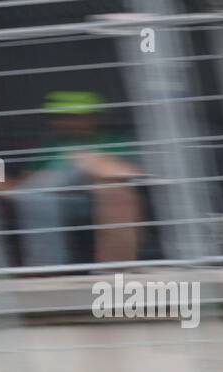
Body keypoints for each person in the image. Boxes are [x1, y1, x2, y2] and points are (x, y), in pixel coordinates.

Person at [8, 90, 144, 267]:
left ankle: (115, 270)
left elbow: (130, 173)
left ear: (94, 118)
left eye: (75, 116)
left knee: (114, 191)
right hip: (56, 201)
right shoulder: (52, 147)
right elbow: (27, 183)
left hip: (98, 199)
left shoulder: (117, 141)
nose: (66, 122)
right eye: (60, 117)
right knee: (34, 198)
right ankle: (47, 271)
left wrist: (89, 163)